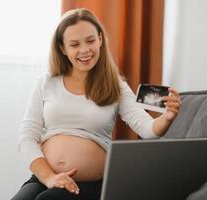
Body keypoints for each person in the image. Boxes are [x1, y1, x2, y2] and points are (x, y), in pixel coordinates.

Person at [12, 8, 181, 200]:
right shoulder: (47, 82)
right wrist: (49, 177)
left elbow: (146, 128)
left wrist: (167, 118)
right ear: (62, 48)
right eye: (74, 44)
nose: (84, 50)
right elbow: (27, 136)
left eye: (90, 41)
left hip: (92, 184)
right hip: (46, 177)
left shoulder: (115, 84)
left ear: (100, 39)